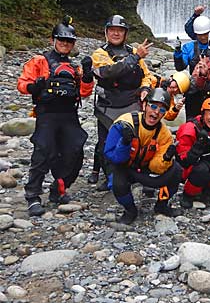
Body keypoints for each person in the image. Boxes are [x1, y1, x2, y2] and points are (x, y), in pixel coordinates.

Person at [17, 17, 94, 216]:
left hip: (69, 115)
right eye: (61, 40)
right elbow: (22, 84)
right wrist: (34, 86)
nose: (65, 44)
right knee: (43, 153)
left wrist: (87, 76)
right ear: (53, 40)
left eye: (68, 42)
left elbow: (84, 92)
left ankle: (58, 189)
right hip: (47, 115)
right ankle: (33, 195)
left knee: (75, 153)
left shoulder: (73, 67)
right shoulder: (39, 61)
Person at [90, 15, 157, 190]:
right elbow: (109, 72)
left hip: (132, 104)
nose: (116, 33)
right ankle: (111, 177)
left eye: (120, 30)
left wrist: (145, 89)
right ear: (106, 32)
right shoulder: (99, 53)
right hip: (108, 107)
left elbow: (147, 76)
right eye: (112, 30)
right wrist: (134, 58)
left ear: (125, 33)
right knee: (107, 145)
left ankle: (138, 175)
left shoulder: (134, 53)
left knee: (137, 141)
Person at [103, 88, 182, 224]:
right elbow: (112, 156)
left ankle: (161, 205)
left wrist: (166, 158)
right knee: (117, 183)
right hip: (124, 166)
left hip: (144, 167)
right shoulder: (124, 123)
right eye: (153, 106)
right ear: (144, 105)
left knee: (176, 171)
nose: (156, 112)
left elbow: (156, 167)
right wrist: (125, 143)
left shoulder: (164, 134)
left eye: (162, 110)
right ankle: (130, 210)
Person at [174, 15, 210, 118]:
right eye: (200, 35)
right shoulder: (189, 47)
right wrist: (178, 52)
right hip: (194, 91)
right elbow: (180, 67)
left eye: (205, 34)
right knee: (192, 122)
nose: (203, 37)